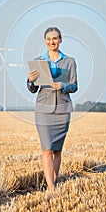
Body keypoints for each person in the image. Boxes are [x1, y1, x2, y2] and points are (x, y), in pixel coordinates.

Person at [27, 27, 78, 192]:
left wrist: (63, 85)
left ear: (61, 40)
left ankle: (53, 183)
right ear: (45, 41)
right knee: (47, 149)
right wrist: (29, 80)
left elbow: (74, 86)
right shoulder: (38, 62)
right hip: (43, 109)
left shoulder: (70, 61)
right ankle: (50, 187)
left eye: (55, 38)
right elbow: (33, 89)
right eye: (48, 39)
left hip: (62, 109)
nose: (52, 42)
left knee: (57, 150)